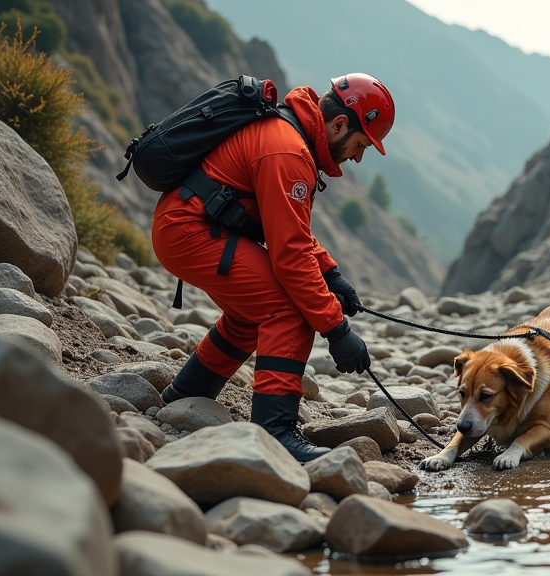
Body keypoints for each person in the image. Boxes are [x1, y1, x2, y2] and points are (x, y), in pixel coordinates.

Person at [151, 73, 395, 462]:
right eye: (361, 144)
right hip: (190, 230)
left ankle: (185, 397)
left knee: (250, 315)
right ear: (338, 125)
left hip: (186, 222)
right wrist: (336, 329)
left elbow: (291, 232)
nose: (358, 156)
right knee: (289, 309)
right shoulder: (289, 152)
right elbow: (290, 257)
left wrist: (332, 275)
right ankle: (276, 434)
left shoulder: (291, 138)